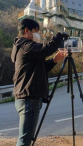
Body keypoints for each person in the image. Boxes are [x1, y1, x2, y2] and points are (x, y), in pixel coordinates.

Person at [11, 18, 69, 146]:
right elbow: (46, 48)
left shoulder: (25, 48)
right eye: (36, 31)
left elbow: (40, 69)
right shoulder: (25, 45)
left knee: (26, 138)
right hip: (28, 98)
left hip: (27, 97)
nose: (38, 35)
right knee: (25, 140)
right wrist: (59, 35)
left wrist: (53, 61)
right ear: (26, 30)